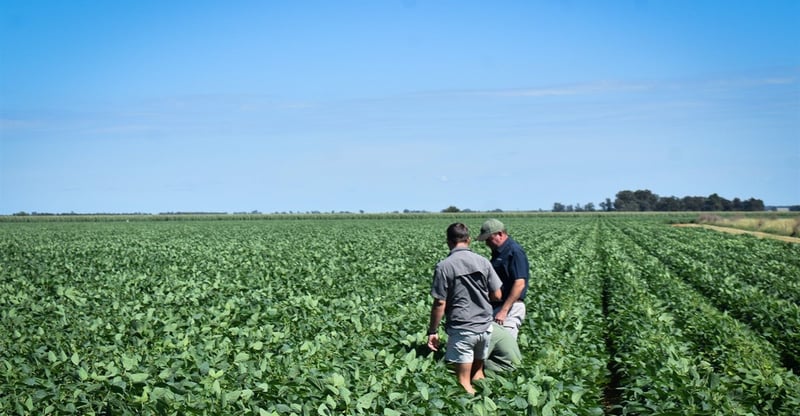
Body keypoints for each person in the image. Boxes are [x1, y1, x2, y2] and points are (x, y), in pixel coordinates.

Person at [427, 222, 503, 394]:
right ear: (468, 240)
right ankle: (491, 405)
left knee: (463, 383)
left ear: (449, 241)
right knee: (478, 374)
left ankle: (472, 409)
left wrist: (432, 331)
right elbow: (497, 295)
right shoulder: (483, 261)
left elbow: (440, 303)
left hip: (463, 330)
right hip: (485, 328)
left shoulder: (444, 266)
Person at [476, 219, 530, 340]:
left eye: (488, 239)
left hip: (510, 307)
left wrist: (504, 311)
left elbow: (520, 283)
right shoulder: (498, 252)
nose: (487, 244)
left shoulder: (514, 251)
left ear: (500, 234)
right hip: (498, 306)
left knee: (505, 348)